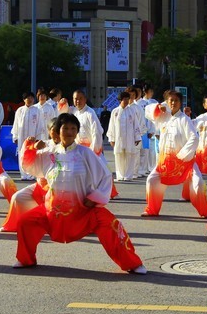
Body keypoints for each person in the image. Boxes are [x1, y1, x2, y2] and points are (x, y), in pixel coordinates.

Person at [14, 113, 147, 274]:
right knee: (25, 222)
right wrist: (32, 147)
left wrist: (94, 199)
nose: (69, 132)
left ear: (77, 132)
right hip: (51, 211)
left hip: (83, 210)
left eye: (73, 128)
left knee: (111, 225)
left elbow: (105, 176)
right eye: (65, 128)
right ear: (57, 131)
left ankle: (132, 263)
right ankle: (26, 259)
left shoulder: (86, 153)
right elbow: (28, 165)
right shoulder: (49, 153)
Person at [142, 90, 207, 218]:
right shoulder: (162, 116)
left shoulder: (184, 120)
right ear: (167, 102)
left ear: (181, 103)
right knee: (151, 180)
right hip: (165, 161)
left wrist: (183, 156)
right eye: (170, 100)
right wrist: (158, 106)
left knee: (198, 184)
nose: (173, 103)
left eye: (176, 100)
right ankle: (152, 209)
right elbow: (148, 112)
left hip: (185, 161)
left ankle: (205, 212)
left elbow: (194, 138)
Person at [0, 117, 58, 233]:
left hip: (60, 190)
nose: (56, 133)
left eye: (59, 130)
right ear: (49, 131)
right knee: (18, 197)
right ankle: (15, 224)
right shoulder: (44, 145)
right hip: (42, 186)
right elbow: (27, 164)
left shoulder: (71, 149)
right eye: (53, 130)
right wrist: (31, 148)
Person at [107, 91, 141, 182]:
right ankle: (120, 175)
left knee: (130, 155)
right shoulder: (115, 112)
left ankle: (128, 175)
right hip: (118, 138)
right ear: (120, 100)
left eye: (127, 99)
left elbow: (136, 124)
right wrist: (111, 138)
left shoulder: (132, 111)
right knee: (119, 156)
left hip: (129, 138)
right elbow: (111, 126)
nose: (126, 101)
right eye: (124, 99)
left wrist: (137, 137)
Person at [11, 92, 45, 181]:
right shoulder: (20, 110)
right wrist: (15, 136)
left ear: (33, 99)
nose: (29, 100)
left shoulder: (37, 110)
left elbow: (40, 125)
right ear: (24, 99)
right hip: (22, 137)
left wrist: (38, 138)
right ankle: (23, 174)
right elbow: (16, 124)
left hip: (33, 137)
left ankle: (31, 174)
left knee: (32, 154)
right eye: (27, 98)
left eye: (31, 98)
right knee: (22, 154)